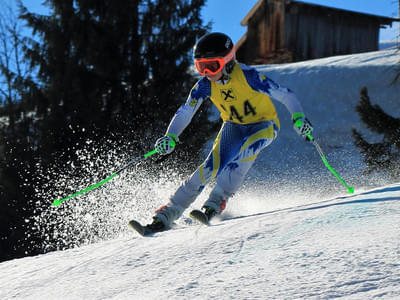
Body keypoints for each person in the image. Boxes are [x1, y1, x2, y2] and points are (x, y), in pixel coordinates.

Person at [145, 32, 313, 232]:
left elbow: (287, 95)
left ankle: (217, 200)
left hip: (264, 125)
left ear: (228, 60)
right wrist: (171, 136)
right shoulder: (205, 85)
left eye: (212, 65)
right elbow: (185, 111)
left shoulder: (248, 76)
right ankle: (171, 210)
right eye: (201, 67)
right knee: (210, 166)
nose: (207, 72)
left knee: (244, 154)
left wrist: (298, 117)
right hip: (233, 126)